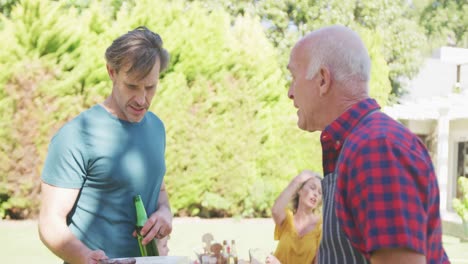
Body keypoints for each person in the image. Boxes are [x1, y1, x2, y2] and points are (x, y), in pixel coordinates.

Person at [286, 25, 450, 263]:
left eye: (293, 77)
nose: (290, 92)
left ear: (322, 79)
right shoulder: (356, 143)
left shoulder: (376, 149)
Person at [38, 26, 172, 264]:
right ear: (112, 72)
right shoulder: (76, 135)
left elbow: (158, 191)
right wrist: (85, 257)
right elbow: (50, 222)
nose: (142, 100)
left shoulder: (156, 128)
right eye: (132, 86)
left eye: (150, 87)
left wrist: (164, 214)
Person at [265, 170, 322, 264]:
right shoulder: (287, 219)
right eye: (312, 188)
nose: (316, 194)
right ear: (299, 190)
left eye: (320, 192)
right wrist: (297, 180)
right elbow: (275, 210)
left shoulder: (321, 227)